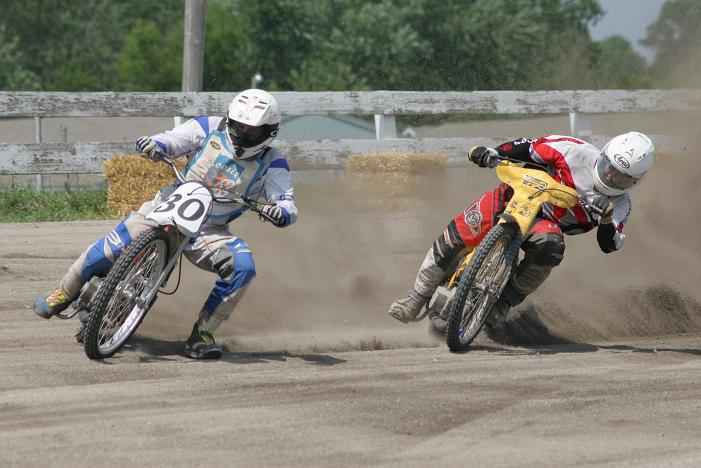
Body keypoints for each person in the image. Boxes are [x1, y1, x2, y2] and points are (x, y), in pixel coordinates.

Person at [33, 89, 298, 359]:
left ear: (269, 131)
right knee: (106, 248)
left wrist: (280, 212)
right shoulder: (210, 126)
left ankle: (203, 333)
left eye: (251, 130)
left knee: (244, 267)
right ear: (229, 119)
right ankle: (63, 293)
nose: (242, 133)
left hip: (209, 230)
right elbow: (172, 139)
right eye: (238, 125)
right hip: (168, 203)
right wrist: (155, 145)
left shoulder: (273, 162)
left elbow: (287, 202)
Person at [387, 132, 655, 337]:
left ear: (635, 182)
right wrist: (491, 153)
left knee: (552, 247)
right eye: (609, 166)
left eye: (621, 178)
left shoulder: (620, 205)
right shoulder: (571, 149)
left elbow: (609, 245)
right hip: (514, 196)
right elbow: (526, 147)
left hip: (545, 223)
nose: (610, 176)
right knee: (458, 235)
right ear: (604, 153)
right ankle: (417, 297)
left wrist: (606, 218)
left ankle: (502, 305)